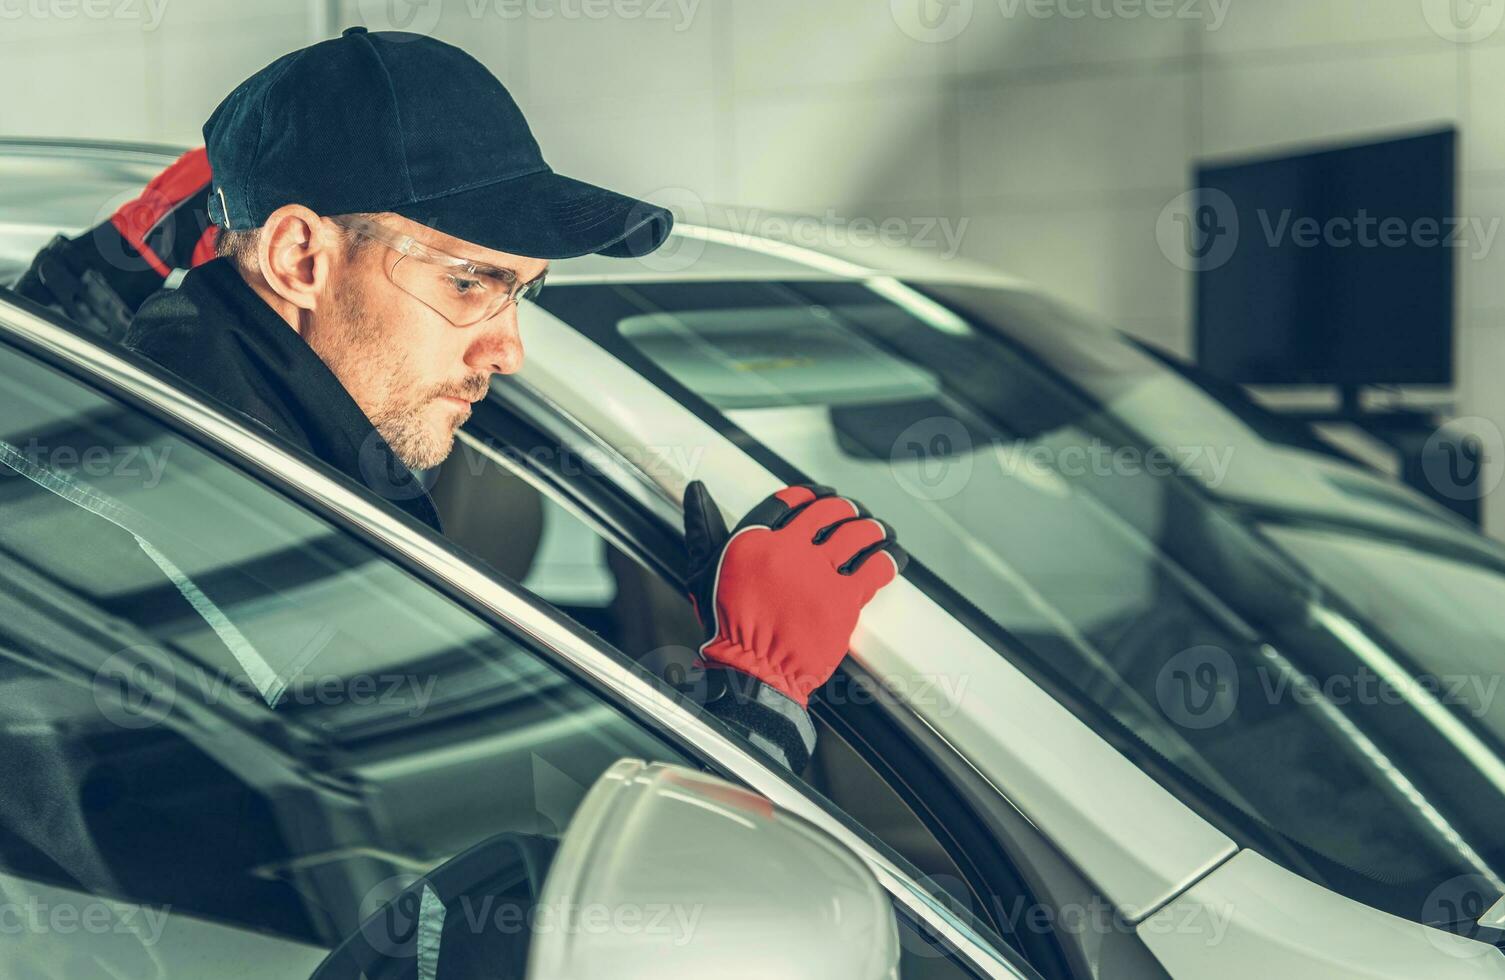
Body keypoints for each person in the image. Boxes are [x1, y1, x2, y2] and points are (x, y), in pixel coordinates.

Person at [85, 27, 907, 774]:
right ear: (301, 257)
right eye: (469, 280)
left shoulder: (241, 454)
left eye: (523, 293)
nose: (507, 351)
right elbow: (472, 870)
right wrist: (755, 692)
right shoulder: (232, 539)